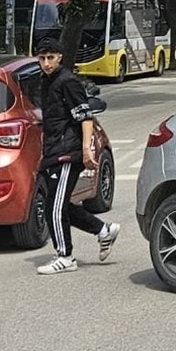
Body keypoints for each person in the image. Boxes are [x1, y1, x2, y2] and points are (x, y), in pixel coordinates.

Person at [32, 36, 120, 275]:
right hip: (53, 151)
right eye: (42, 58)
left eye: (51, 58)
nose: (47, 63)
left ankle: (65, 256)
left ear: (60, 57)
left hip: (67, 153)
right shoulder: (46, 80)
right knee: (59, 205)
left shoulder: (68, 82)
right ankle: (104, 231)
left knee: (54, 208)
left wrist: (86, 150)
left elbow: (85, 117)